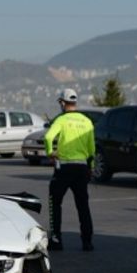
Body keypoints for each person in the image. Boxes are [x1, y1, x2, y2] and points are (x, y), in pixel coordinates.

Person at [43, 88, 95, 251]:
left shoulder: (61, 120)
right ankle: (87, 242)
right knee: (83, 205)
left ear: (62, 103)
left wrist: (50, 153)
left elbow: (48, 137)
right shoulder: (87, 121)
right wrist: (91, 167)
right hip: (82, 168)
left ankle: (56, 240)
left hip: (64, 167)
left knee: (55, 202)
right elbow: (92, 148)